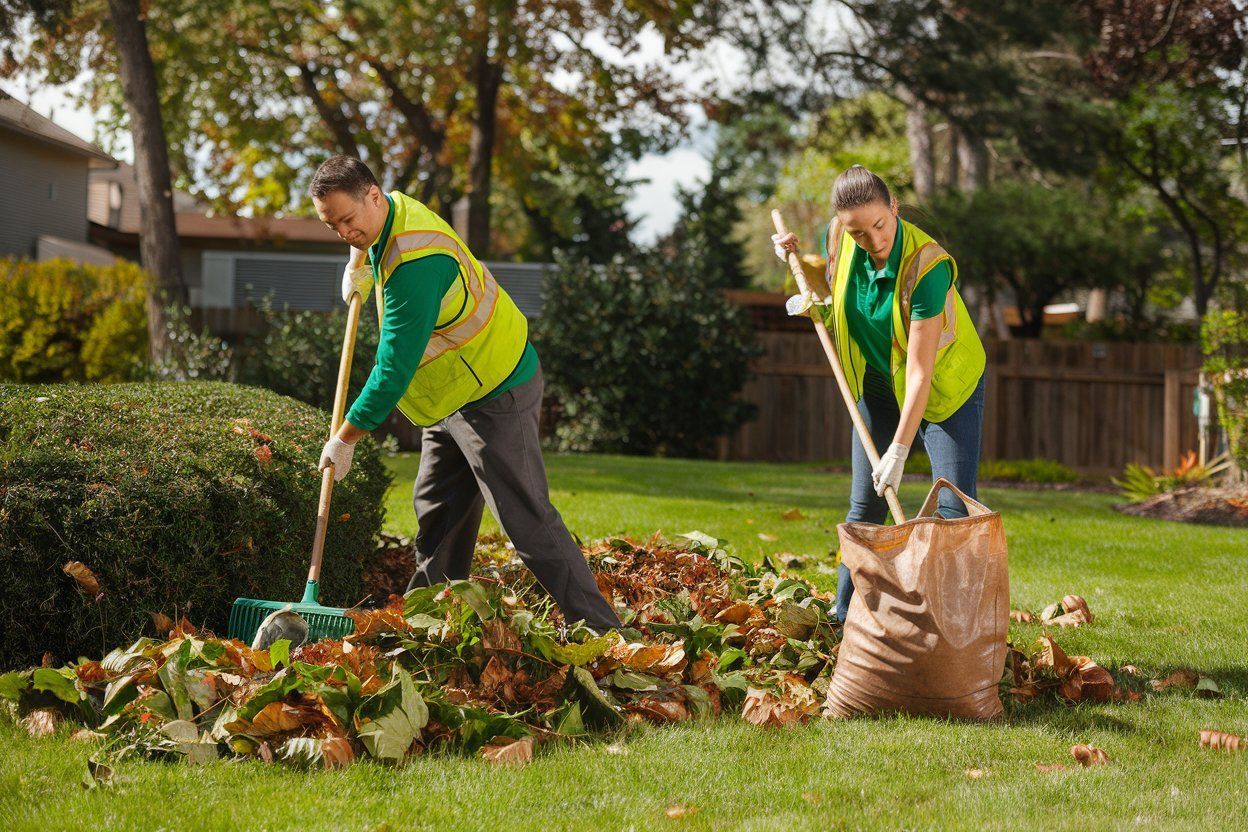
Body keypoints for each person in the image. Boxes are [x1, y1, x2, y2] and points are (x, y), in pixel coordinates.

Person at [310, 155, 620, 634]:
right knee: (439, 513)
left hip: (495, 389)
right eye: (333, 226)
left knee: (527, 521)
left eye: (348, 222)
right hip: (450, 396)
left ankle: (605, 632)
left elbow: (392, 370)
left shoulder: (416, 264)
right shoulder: (387, 212)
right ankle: (430, 623)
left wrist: (346, 438)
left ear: (373, 196)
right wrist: (359, 262)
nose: (344, 233)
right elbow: (368, 236)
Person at [772, 164, 986, 623]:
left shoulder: (927, 267)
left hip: (946, 389)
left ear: (893, 207)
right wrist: (804, 282)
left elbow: (921, 371)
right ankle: (845, 615)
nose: (872, 239)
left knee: (952, 509)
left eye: (880, 224)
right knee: (865, 505)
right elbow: (844, 303)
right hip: (878, 382)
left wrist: (899, 451)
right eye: (858, 232)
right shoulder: (839, 236)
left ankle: (949, 628)